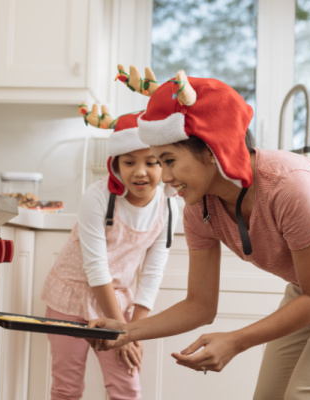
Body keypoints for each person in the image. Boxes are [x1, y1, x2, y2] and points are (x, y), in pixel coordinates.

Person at [88, 66, 310, 399]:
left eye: (168, 160)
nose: (164, 177)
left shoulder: (291, 188)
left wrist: (236, 341)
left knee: (303, 395)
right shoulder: (199, 207)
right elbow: (200, 305)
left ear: (213, 150)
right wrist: (125, 331)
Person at [41, 103, 179, 400]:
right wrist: (122, 332)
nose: (140, 172)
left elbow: (153, 270)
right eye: (129, 162)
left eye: (152, 162)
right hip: (69, 299)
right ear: (115, 164)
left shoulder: (168, 205)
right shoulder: (97, 197)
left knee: (126, 388)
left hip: (117, 303)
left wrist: (134, 329)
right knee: (67, 388)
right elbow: (96, 269)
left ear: (165, 163)